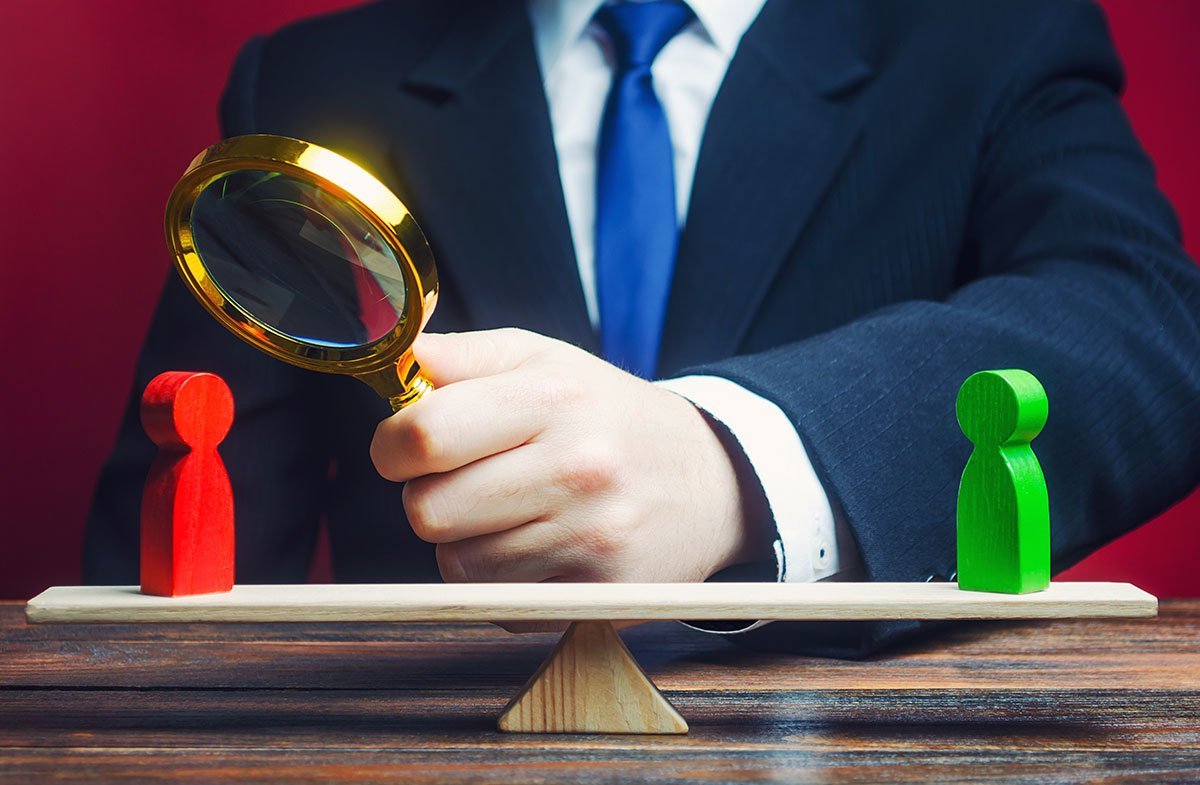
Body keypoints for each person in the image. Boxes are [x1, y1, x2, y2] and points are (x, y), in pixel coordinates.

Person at [85, 0, 1200, 656]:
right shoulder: (321, 79)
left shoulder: (992, 36)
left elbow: (1150, 322)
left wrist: (729, 462)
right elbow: (194, 550)